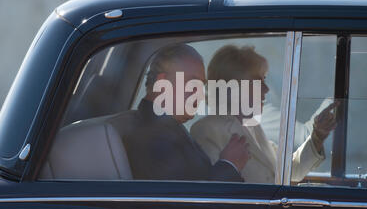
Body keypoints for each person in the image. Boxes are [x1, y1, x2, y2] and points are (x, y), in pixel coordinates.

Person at [190, 45, 337, 184]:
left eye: (264, 79)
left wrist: (318, 136)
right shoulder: (207, 130)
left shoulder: (252, 126)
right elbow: (216, 192)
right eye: (257, 80)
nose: (266, 89)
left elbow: (288, 170)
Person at [110, 43, 249, 182]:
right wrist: (230, 165)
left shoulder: (163, 127)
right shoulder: (154, 138)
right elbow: (188, 198)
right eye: (193, 84)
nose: (200, 95)